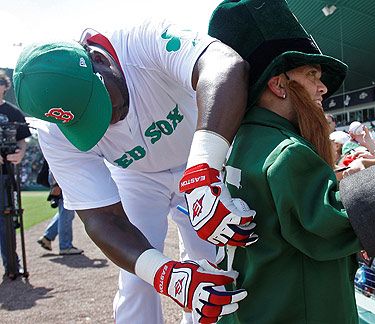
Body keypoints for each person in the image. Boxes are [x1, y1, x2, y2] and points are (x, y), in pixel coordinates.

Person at [206, 1, 375, 322]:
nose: (323, 87)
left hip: (257, 307)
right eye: (311, 75)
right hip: (300, 311)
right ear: (279, 84)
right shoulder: (286, 151)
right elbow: (328, 222)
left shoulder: (239, 143)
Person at [13, 19, 256, 323]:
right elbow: (101, 218)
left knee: (212, 264)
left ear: (99, 59)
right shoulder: (54, 132)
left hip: (198, 154)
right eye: (84, 120)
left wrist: (204, 169)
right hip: (136, 177)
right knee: (140, 277)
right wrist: (166, 275)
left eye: (101, 103)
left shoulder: (142, 42)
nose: (105, 123)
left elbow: (225, 66)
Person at [0, 70, 30, 279]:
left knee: (7, 221)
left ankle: (12, 265)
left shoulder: (13, 112)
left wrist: (20, 153)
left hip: (7, 175)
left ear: (5, 86)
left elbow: (22, 138)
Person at [37, 169, 83, 255]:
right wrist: (55, 185)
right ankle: (65, 246)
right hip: (62, 181)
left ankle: (47, 237)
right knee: (67, 213)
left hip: (63, 180)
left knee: (66, 212)